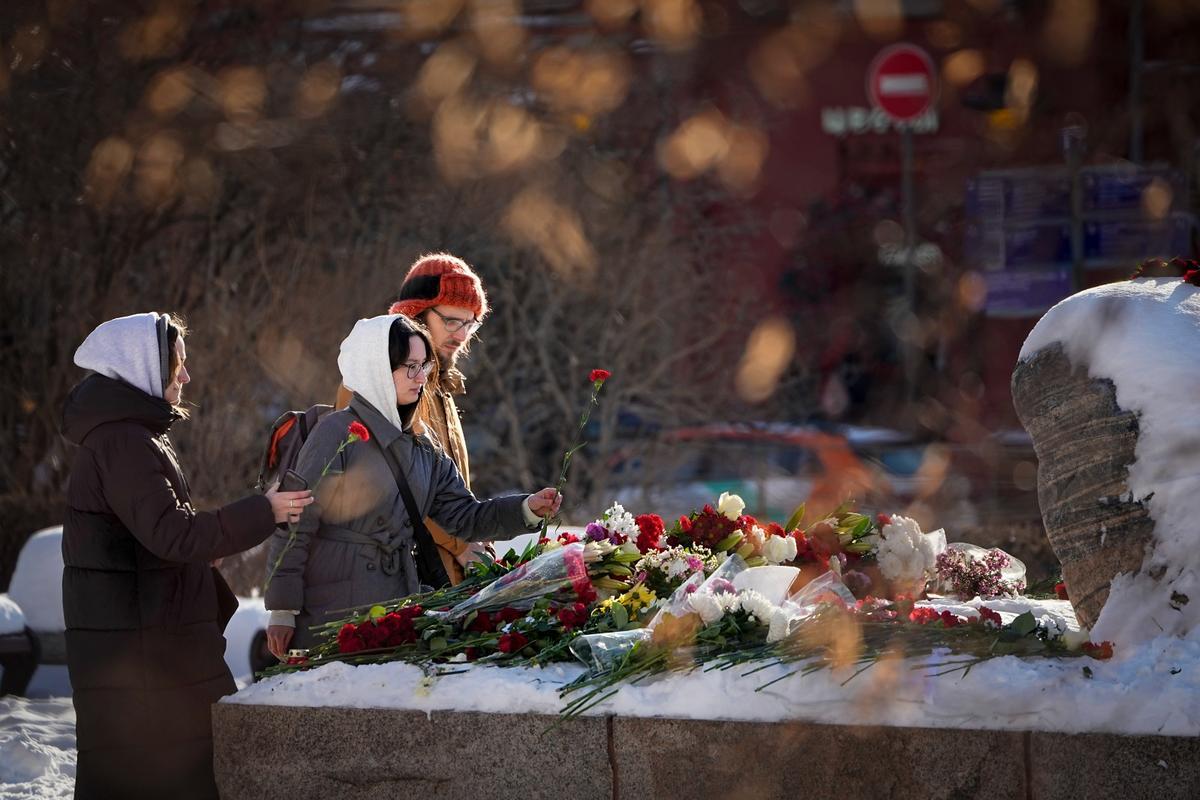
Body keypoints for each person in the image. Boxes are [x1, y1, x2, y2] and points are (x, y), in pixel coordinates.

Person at [61, 312, 313, 800]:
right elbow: (172, 534)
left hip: (149, 648)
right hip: (145, 662)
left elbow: (149, 539)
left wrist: (201, 558)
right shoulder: (124, 441)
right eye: (177, 362)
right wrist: (266, 510)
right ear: (143, 366)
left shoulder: (134, 435)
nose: (186, 375)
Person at [265, 314, 561, 656]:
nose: (421, 377)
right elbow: (295, 521)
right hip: (333, 611)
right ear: (377, 368)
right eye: (410, 366)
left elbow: (464, 516)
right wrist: (283, 610)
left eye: (424, 365)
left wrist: (526, 508)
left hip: (398, 605)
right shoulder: (336, 432)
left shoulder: (423, 443)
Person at [336, 252, 491, 587]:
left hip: (444, 575)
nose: (462, 335)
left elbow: (442, 491)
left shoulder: (442, 388)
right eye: (451, 321)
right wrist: (460, 542)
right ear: (416, 315)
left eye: (470, 323)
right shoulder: (375, 384)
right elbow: (386, 488)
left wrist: (473, 533)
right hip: (394, 577)